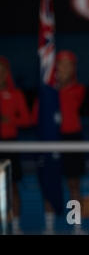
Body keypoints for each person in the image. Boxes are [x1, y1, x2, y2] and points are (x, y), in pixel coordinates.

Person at [55, 50, 86, 234]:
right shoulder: (47, 92)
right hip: (52, 138)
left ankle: (76, 226)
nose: (64, 68)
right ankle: (51, 227)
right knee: (50, 180)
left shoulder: (79, 90)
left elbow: (74, 104)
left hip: (72, 138)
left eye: (68, 64)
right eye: (61, 64)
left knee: (74, 184)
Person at [0, 56, 30, 235]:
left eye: (2, 71)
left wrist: (10, 120)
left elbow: (26, 120)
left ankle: (16, 227)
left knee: (12, 188)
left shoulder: (16, 94)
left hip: (11, 145)